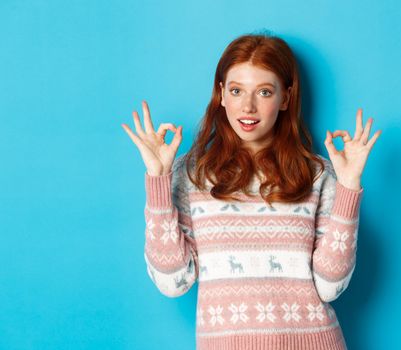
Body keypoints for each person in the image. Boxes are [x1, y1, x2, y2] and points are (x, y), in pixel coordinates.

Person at [121, 32, 381, 350]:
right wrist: (158, 179)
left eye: (264, 92)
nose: (248, 106)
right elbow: (173, 281)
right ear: (221, 95)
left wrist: (349, 188)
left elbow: (329, 286)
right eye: (237, 90)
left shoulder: (315, 175)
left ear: (286, 98)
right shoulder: (191, 175)